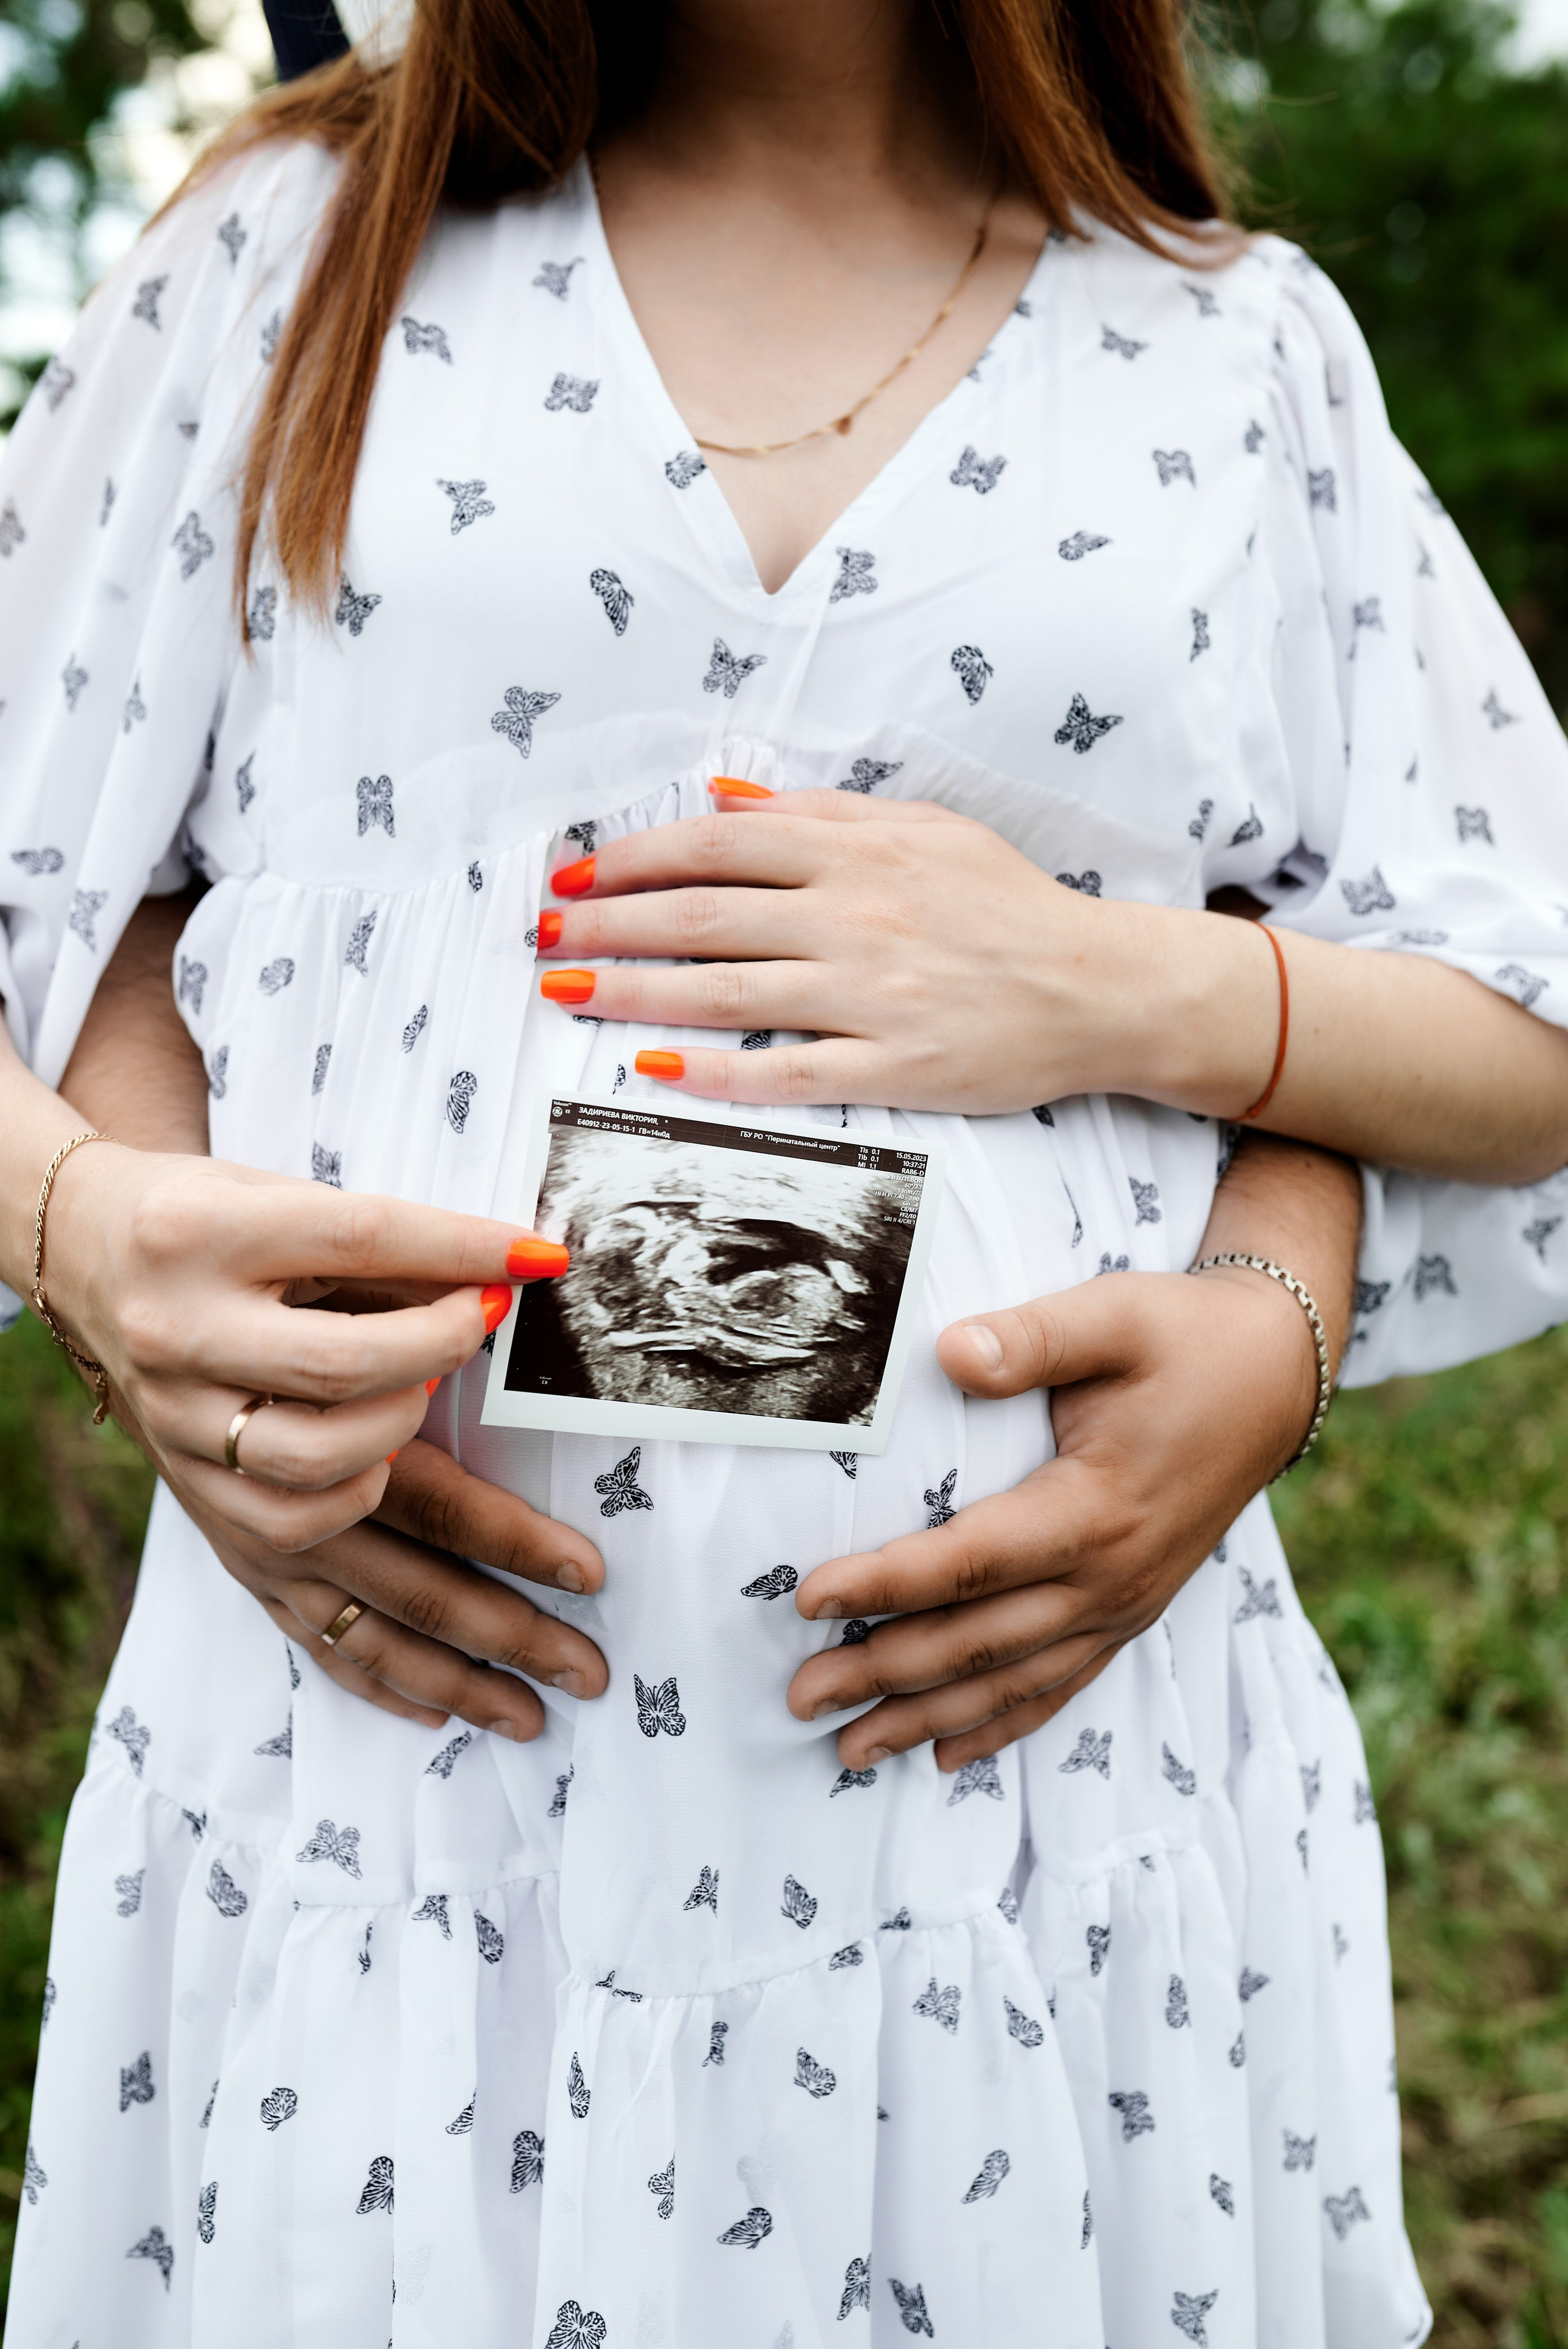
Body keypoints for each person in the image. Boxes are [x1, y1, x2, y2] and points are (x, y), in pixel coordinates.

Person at [4, 1, 1568, 2341]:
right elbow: (88, 890)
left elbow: (1511, 1003)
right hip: (402, 1818)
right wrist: (92, 1238)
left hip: (1031, 1842)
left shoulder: (1234, 351)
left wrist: (1220, 1191)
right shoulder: (295, 250)